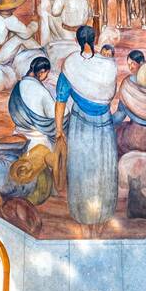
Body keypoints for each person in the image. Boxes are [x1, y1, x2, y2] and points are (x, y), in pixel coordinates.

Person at [55, 24, 120, 228]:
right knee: (104, 168)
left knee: (81, 168)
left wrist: (58, 130)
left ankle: (82, 215)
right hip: (104, 125)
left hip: (80, 124)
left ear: (77, 40)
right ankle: (104, 214)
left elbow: (61, 100)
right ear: (94, 39)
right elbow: (110, 94)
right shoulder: (108, 65)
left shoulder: (71, 64)